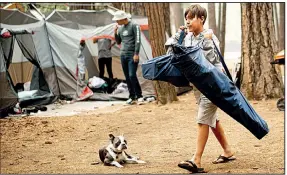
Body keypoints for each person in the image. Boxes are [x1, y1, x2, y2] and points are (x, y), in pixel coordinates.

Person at [167, 4, 236, 173]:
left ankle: (196, 160)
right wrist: (179, 35)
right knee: (212, 119)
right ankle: (227, 150)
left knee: (203, 118)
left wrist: (207, 39)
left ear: (202, 19)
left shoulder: (211, 37)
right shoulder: (188, 37)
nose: (188, 22)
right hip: (198, 85)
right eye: (186, 18)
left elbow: (210, 61)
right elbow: (170, 52)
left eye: (191, 18)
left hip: (213, 84)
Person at [113, 10, 144, 105]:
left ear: (123, 19)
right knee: (127, 77)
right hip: (123, 55)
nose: (116, 22)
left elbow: (138, 40)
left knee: (132, 75)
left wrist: (136, 53)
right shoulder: (121, 28)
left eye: (117, 20)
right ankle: (132, 96)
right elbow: (118, 42)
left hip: (132, 55)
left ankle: (139, 96)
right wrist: (115, 33)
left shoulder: (134, 25)